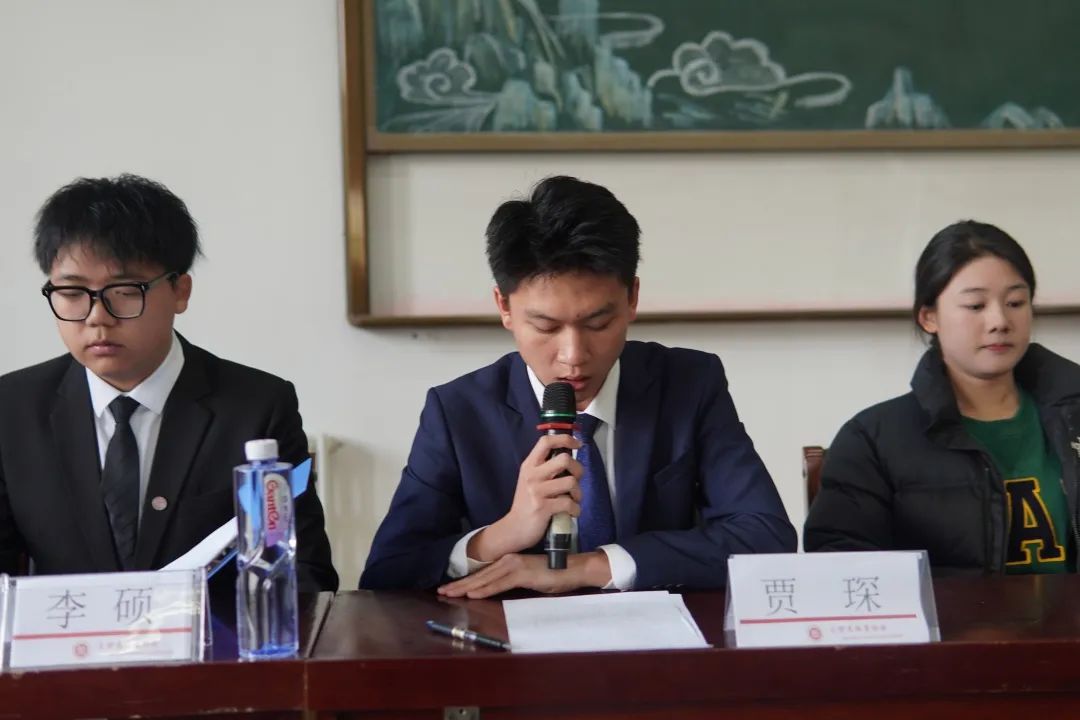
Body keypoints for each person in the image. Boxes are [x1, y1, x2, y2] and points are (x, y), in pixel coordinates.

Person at [360, 175, 795, 596]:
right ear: (504, 307)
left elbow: (766, 537)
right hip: (506, 641)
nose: (573, 355)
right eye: (545, 327)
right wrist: (503, 534)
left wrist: (590, 566)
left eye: (598, 323)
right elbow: (388, 571)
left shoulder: (689, 384)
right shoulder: (458, 411)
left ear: (632, 298)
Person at [0, 174, 338, 592]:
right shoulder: (13, 408)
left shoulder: (257, 407)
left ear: (180, 291)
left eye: (125, 291)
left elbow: (302, 574)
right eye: (71, 292)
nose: (96, 316)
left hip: (214, 634)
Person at [804, 220, 1080, 574]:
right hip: (946, 614)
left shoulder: (1072, 415)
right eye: (976, 306)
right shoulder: (872, 440)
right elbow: (841, 564)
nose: (999, 321)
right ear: (929, 317)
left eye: (1015, 302)